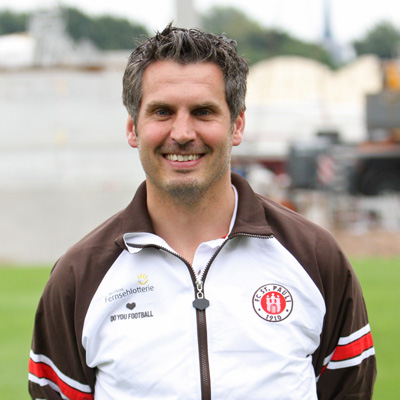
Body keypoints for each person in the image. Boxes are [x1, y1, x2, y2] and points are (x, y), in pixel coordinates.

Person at [28, 25, 376, 399]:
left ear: (237, 125)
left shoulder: (314, 257)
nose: (182, 133)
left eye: (203, 112)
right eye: (162, 111)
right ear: (132, 128)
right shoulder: (80, 276)